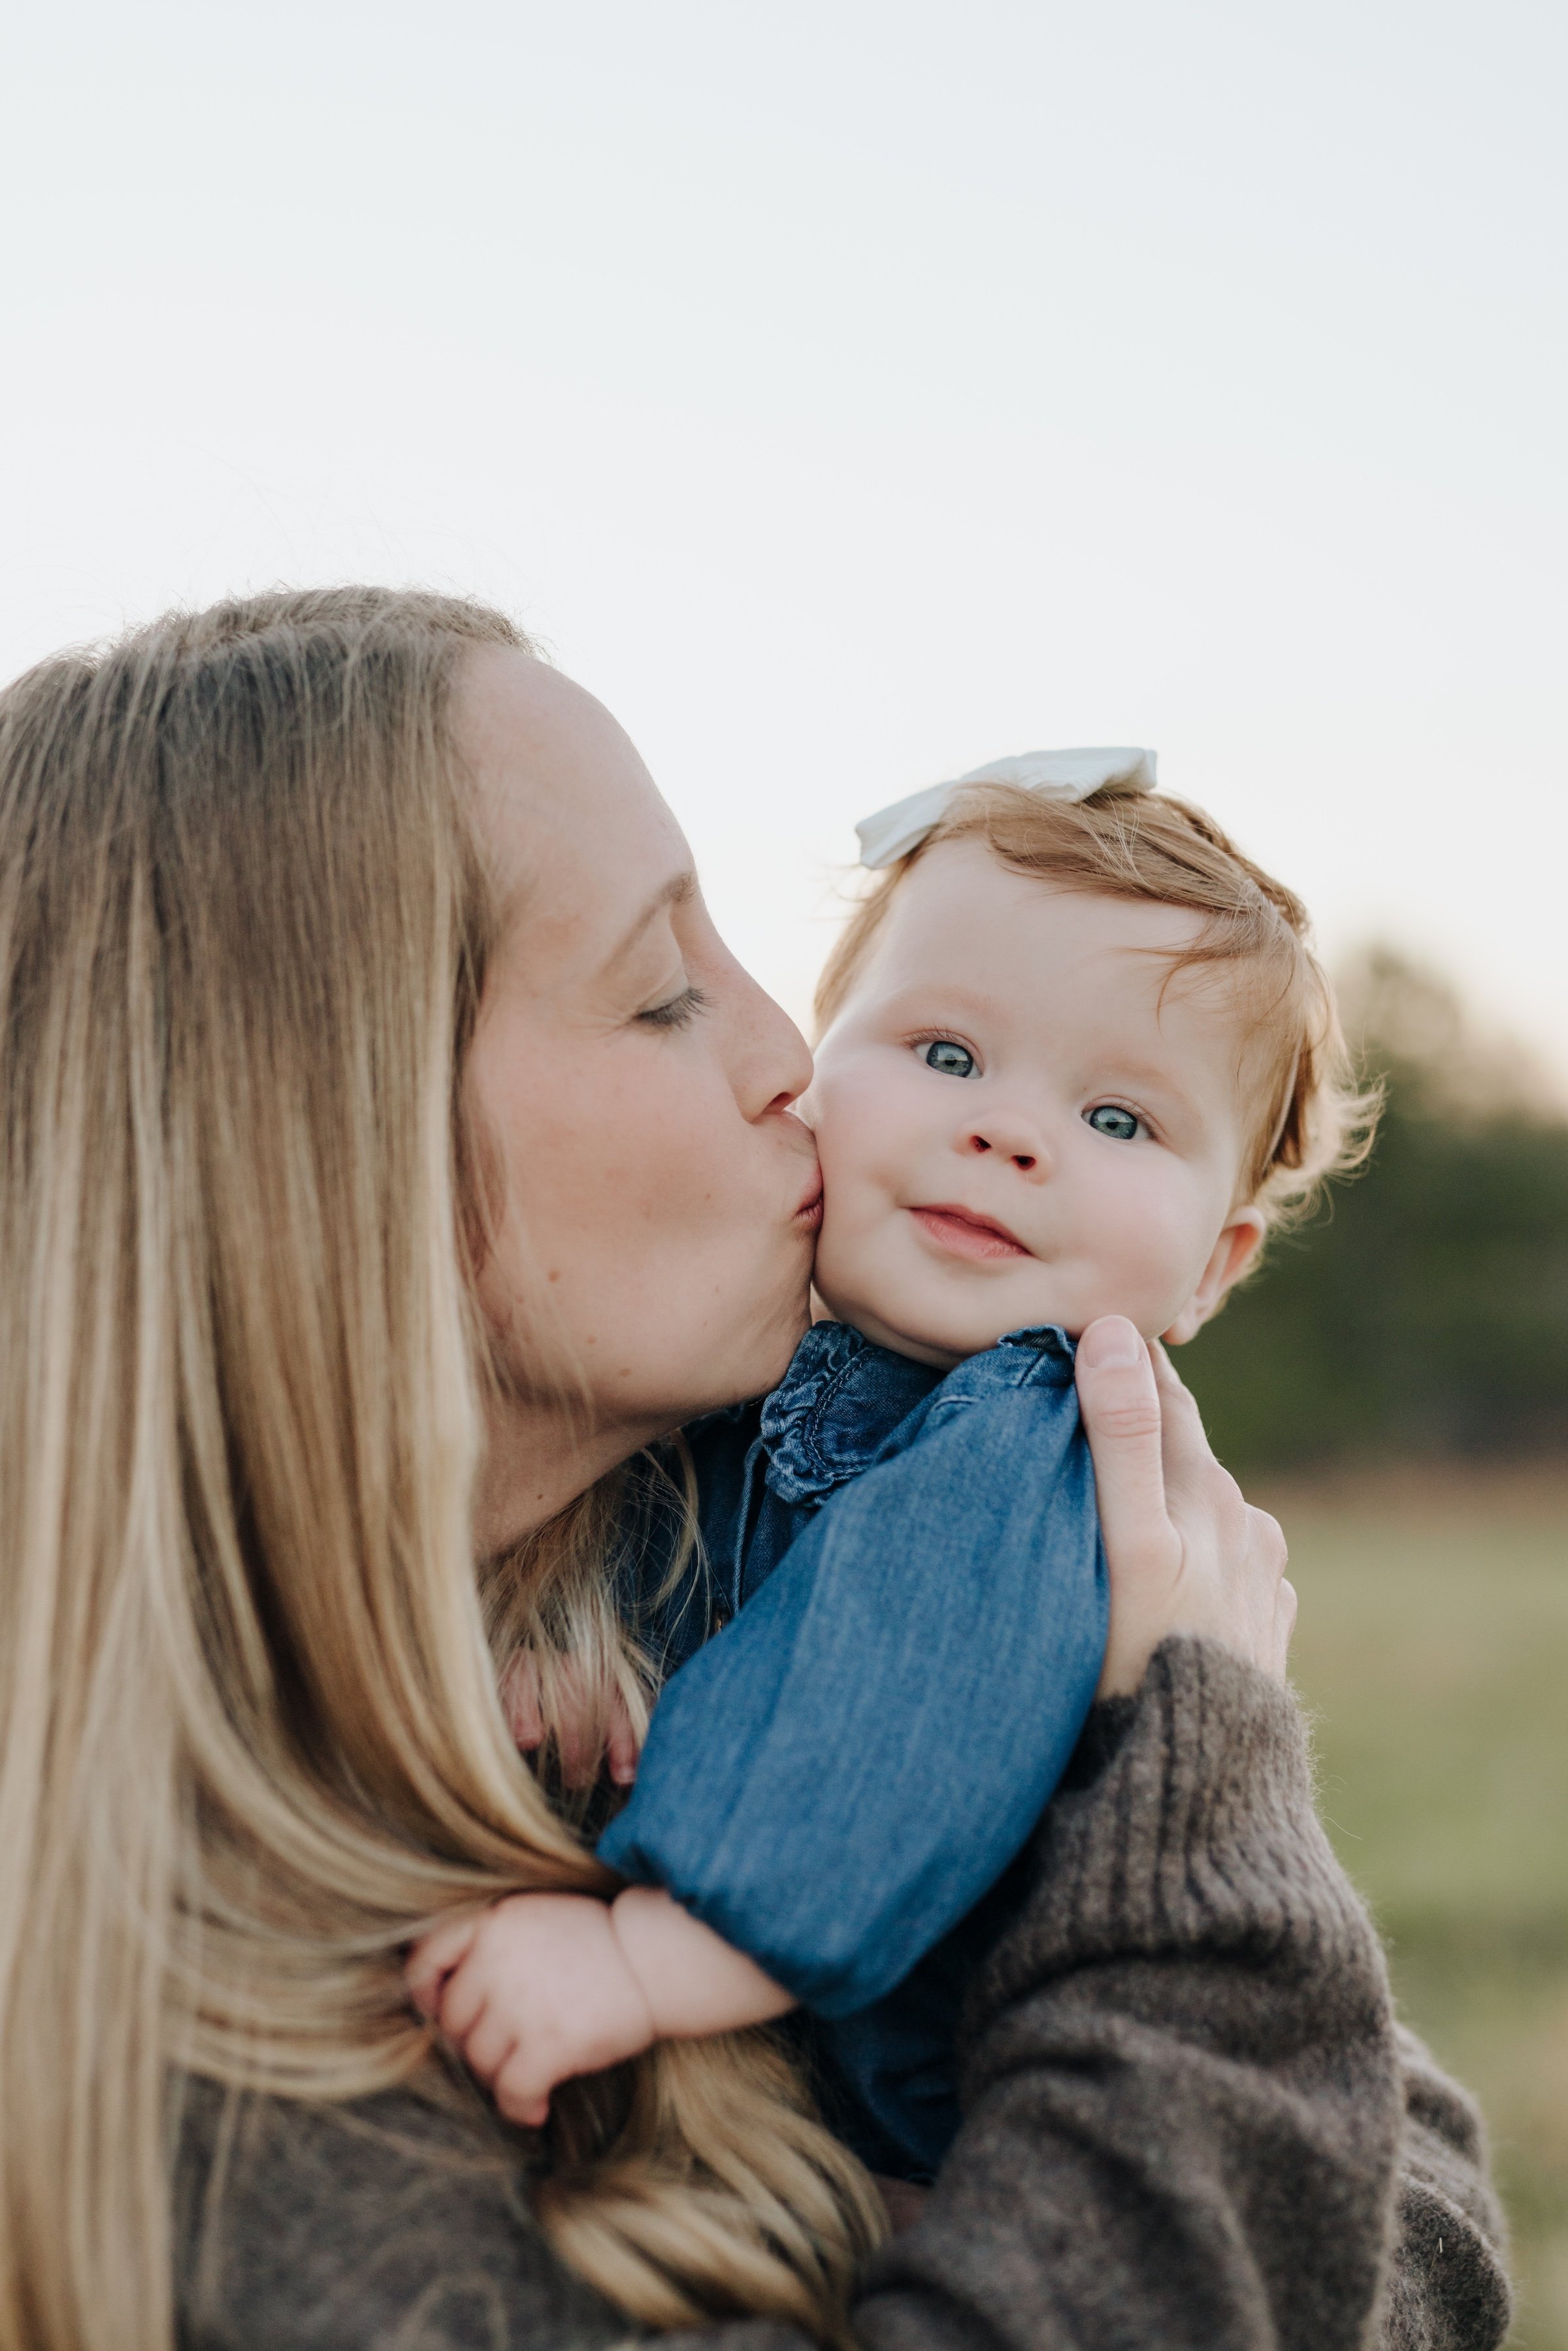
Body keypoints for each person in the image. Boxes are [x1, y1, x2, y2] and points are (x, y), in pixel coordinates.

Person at [0, 587, 1509, 2351]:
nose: (793, 1056)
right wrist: (1201, 1800)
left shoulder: (869, 1483)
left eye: (1117, 1114)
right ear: (329, 1149)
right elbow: (1328, 2178)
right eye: (660, 990)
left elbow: (1419, 2193)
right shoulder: (260, 2131)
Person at [410, 752, 1374, 2188]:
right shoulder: (738, 1357)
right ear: (818, 1062)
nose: (1006, 1129)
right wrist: (568, 1630)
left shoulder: (1026, 1434)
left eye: (1120, 1120)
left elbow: (894, 1700)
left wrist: (651, 1952)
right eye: (945, 1053)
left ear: (1214, 1266)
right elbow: (663, 1520)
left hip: (908, 2102)